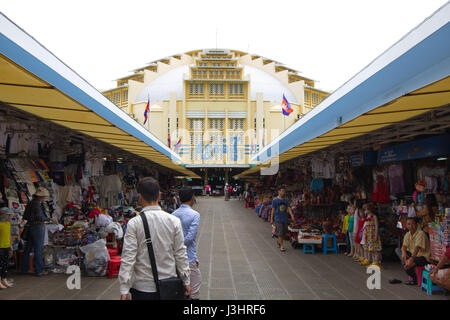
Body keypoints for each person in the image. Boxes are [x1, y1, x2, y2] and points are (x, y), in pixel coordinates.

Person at [119, 177, 191, 300]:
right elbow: (180, 253)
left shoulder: (134, 223)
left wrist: (124, 288)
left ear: (140, 197)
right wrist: (186, 280)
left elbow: (128, 257)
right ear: (159, 195)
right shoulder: (174, 221)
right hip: (170, 286)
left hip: (142, 289)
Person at [173, 186, 201, 300]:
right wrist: (181, 246)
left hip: (175, 258)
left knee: (179, 290)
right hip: (189, 257)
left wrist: (176, 246)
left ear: (179, 199)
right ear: (192, 198)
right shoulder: (195, 215)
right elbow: (190, 237)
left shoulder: (173, 214)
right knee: (194, 291)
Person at [20, 187, 56, 276]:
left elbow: (25, 216)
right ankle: (39, 270)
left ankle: (24, 269)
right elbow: (39, 217)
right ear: (41, 197)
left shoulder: (30, 203)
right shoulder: (37, 204)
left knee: (27, 249)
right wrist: (49, 219)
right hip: (37, 228)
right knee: (38, 249)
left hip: (30, 227)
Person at [395, 217, 431, 285]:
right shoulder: (407, 234)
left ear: (416, 225)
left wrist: (411, 259)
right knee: (398, 250)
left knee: (408, 264)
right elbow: (404, 246)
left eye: (412, 224)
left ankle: (415, 279)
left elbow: (417, 248)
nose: (410, 226)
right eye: (408, 224)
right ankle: (406, 263)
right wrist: (404, 253)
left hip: (423, 257)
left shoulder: (421, 234)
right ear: (406, 225)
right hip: (413, 256)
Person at [270, 186, 294, 252]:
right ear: (279, 191)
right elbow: (273, 209)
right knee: (280, 233)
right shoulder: (275, 200)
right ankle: (282, 246)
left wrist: (292, 215)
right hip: (278, 218)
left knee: (284, 232)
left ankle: (279, 241)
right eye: (282, 191)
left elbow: (289, 208)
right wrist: (271, 218)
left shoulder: (286, 200)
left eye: (284, 191)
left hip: (285, 218)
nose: (283, 192)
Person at [362, 202, 382, 268]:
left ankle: (376, 261)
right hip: (368, 235)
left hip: (373, 234)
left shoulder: (374, 216)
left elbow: (376, 226)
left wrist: (376, 235)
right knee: (370, 248)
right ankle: (373, 260)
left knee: (375, 248)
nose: (365, 211)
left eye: (366, 209)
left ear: (370, 210)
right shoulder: (366, 217)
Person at [0, 207, 13, 289]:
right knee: (0, 264)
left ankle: (4, 279)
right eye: (8, 215)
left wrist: (10, 245)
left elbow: (9, 235)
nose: (10, 217)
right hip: (0, 247)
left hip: (6, 247)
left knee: (5, 264)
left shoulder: (8, 224)